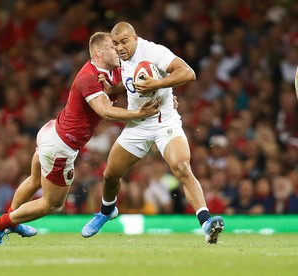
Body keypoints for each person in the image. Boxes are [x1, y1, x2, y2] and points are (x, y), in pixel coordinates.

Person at [0, 31, 160, 244]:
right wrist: (139, 114)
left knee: (34, 181)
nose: (118, 50)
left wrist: (166, 96)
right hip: (61, 145)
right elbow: (105, 112)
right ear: (99, 52)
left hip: (52, 131)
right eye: (113, 47)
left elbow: (132, 81)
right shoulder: (88, 78)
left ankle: (11, 222)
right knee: (52, 204)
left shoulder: (112, 72)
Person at [81, 22, 225, 244]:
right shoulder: (123, 59)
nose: (119, 47)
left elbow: (188, 73)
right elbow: (131, 82)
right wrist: (112, 89)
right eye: (116, 43)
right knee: (110, 174)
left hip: (164, 122)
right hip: (137, 124)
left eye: (124, 42)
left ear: (135, 38)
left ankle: (206, 222)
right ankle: (107, 211)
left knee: (181, 166)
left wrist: (158, 83)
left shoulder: (154, 51)